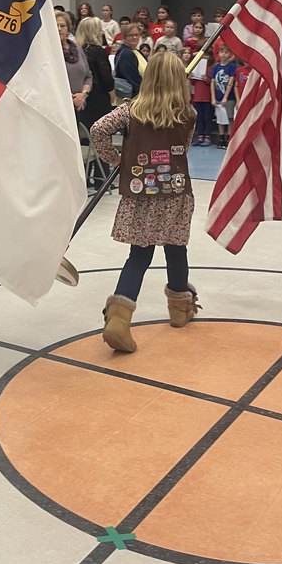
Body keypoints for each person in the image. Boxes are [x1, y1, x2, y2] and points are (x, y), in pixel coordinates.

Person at [90, 53, 198, 354]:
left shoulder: (130, 111)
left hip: (140, 192)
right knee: (176, 249)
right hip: (175, 193)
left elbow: (98, 130)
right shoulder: (189, 114)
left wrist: (118, 159)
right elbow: (184, 148)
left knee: (138, 256)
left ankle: (118, 319)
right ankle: (180, 310)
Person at [76, 17, 114, 190]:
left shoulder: (76, 51)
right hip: (98, 96)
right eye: (99, 29)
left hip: (82, 97)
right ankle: (102, 178)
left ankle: (83, 177)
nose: (102, 32)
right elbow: (106, 77)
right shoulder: (98, 51)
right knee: (102, 135)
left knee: (84, 138)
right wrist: (111, 91)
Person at [56, 10, 92, 118]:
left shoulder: (78, 49)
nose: (59, 29)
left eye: (62, 26)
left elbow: (88, 76)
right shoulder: (50, 51)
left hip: (79, 105)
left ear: (68, 29)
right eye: (56, 25)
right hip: (59, 107)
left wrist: (83, 94)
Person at [210, 45, 236, 147]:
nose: (224, 54)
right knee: (220, 119)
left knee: (229, 118)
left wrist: (226, 96)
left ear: (229, 54)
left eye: (226, 52)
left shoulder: (232, 67)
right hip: (217, 96)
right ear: (218, 54)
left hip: (229, 98)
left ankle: (229, 137)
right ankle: (221, 138)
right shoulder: (216, 67)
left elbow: (231, 82)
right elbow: (212, 82)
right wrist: (213, 97)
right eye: (221, 52)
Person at [114, 22, 146, 98]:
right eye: (131, 35)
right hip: (133, 98)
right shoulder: (126, 53)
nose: (135, 37)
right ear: (124, 37)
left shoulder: (137, 52)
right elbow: (133, 79)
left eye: (137, 35)